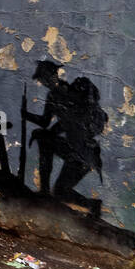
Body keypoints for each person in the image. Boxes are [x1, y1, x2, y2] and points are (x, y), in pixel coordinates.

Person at [25, 62, 105, 210]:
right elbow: (45, 122)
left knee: (44, 138)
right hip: (76, 151)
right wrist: (26, 115)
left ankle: (45, 192)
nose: (42, 82)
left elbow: (67, 124)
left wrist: (41, 132)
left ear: (52, 75)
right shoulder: (54, 96)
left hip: (82, 153)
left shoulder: (67, 94)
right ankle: (91, 204)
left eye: (43, 78)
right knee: (61, 191)